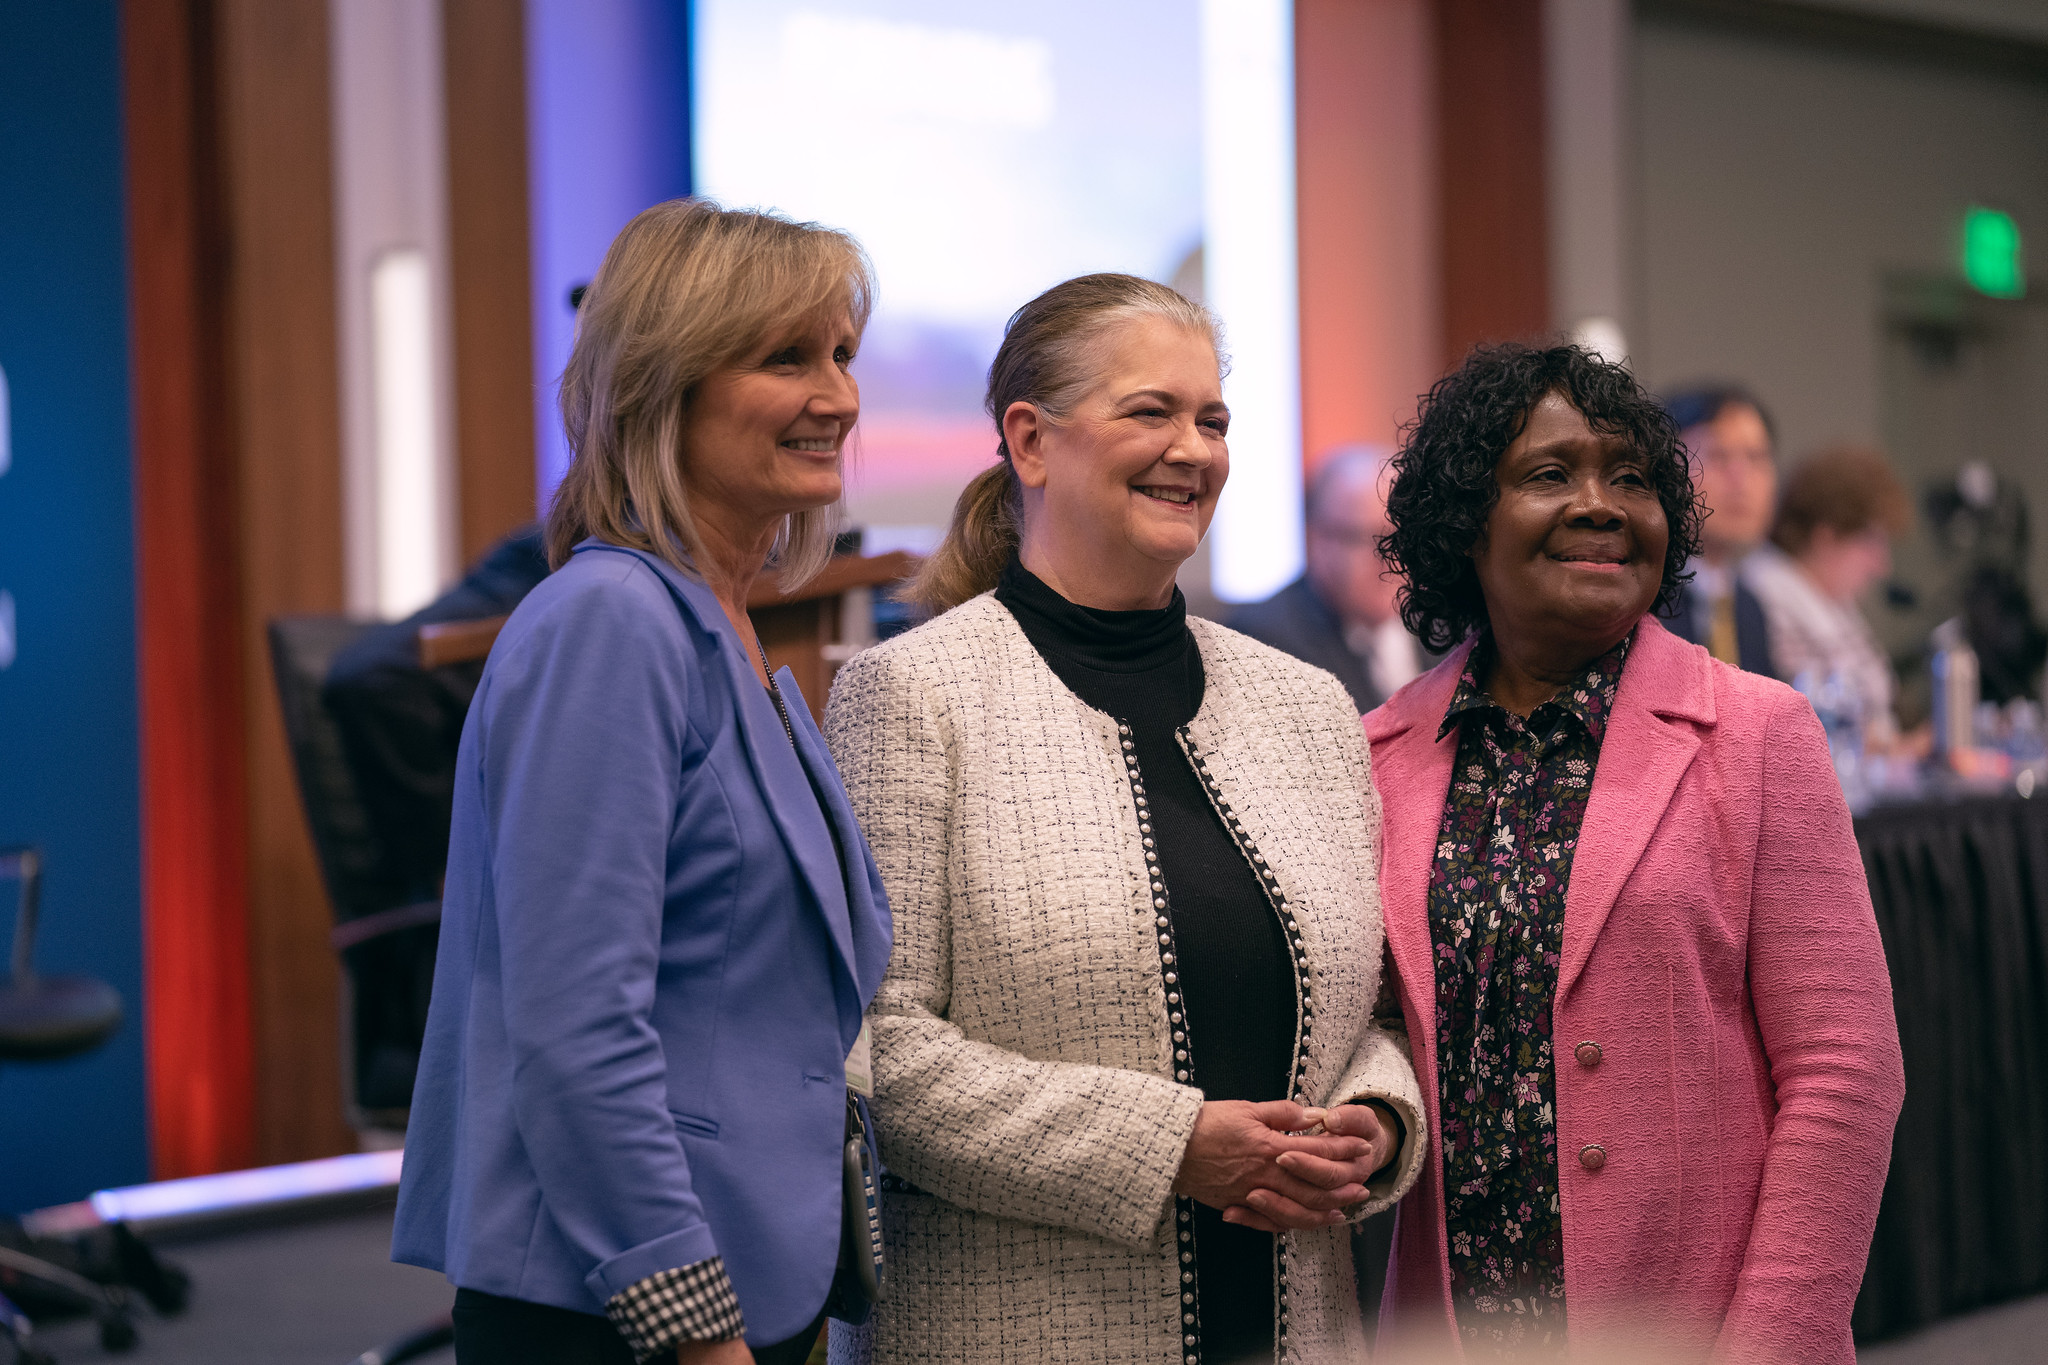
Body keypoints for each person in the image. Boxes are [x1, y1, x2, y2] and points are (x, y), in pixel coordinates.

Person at [823, 274, 1425, 1365]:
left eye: (1212, 420)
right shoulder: (910, 696)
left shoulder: (1308, 708)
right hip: (1011, 1331)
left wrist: (1374, 1126)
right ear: (1029, 440)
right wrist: (1169, 1146)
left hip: (1298, 1326)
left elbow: (1376, 1012)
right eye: (1150, 412)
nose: (1191, 449)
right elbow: (877, 1052)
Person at [392, 200, 894, 1365]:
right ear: (663, 382)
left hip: (749, 1279)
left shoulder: (717, 623)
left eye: (841, 354)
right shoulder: (609, 624)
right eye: (786, 357)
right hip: (625, 1310)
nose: (838, 396)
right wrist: (691, 1320)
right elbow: (576, 1028)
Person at [1366, 342, 1904, 1362]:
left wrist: (1770, 1345)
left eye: (1632, 478)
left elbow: (1844, 1072)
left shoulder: (1755, 735)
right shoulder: (1380, 754)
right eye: (1547, 474)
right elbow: (1376, 1034)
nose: (1601, 503)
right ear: (1461, 521)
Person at [1228, 445, 1428, 712]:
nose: (1390, 557)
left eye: (1399, 535)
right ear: (1316, 538)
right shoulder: (1264, 643)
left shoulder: (1449, 626)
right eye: (1368, 538)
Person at [1743, 444, 1913, 751]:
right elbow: (1815, 725)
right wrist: (1902, 750)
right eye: (1871, 543)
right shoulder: (1766, 596)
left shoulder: (1832, 599)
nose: (1882, 566)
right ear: (1827, 537)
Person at [1657, 386, 1777, 676]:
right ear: (1664, 470)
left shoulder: (1750, 606)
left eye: (1756, 457)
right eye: (1718, 456)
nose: (1741, 479)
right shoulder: (1643, 597)